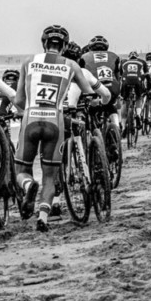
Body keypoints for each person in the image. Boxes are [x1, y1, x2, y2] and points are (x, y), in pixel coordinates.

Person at [12, 25, 110, 232]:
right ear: (64, 45)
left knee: (22, 169)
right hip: (55, 121)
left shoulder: (28, 62)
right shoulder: (71, 65)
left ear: (44, 43)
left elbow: (19, 100)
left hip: (31, 117)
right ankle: (43, 218)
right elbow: (88, 93)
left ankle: (29, 187)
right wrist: (92, 103)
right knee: (49, 174)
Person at [81, 35, 123, 145]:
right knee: (110, 106)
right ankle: (117, 127)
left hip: (95, 87)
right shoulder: (114, 56)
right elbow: (118, 76)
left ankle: (92, 137)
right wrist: (118, 93)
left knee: (91, 110)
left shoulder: (84, 56)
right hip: (113, 86)